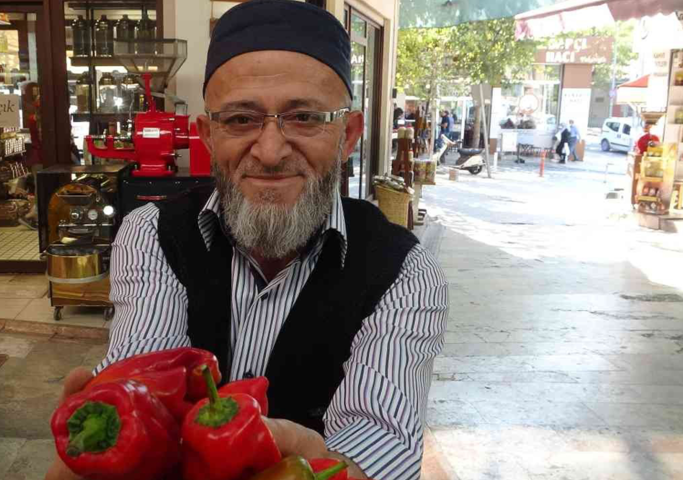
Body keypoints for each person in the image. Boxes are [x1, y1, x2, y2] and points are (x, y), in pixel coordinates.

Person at [45, 2, 448, 479]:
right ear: (207, 136)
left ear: (348, 136)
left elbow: (378, 446)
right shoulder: (152, 236)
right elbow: (144, 394)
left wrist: (323, 464)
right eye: (240, 119)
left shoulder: (402, 271)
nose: (271, 151)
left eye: (304, 117)